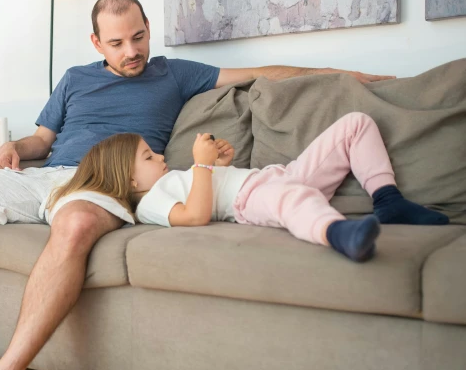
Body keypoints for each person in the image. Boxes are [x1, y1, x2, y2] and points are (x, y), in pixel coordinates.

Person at [0, 0, 396, 370]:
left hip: (110, 182)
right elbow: (42, 142)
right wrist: (15, 146)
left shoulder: (174, 73)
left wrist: (339, 75)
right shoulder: (74, 79)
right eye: (117, 43)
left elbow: (258, 74)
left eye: (138, 37)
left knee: (73, 225)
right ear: (97, 42)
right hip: (46, 174)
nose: (131, 50)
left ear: (147, 29)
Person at [48, 112, 448, 263]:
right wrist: (203, 165)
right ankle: (338, 233)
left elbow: (209, 187)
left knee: (355, 124)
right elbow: (196, 215)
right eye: (150, 158)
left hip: (275, 174)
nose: (162, 158)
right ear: (130, 180)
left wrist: (219, 166)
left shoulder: (172, 178)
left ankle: (388, 200)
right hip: (251, 199)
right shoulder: (151, 203)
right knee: (296, 199)